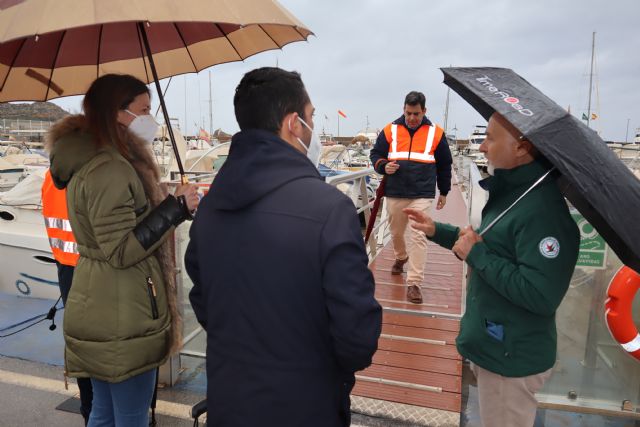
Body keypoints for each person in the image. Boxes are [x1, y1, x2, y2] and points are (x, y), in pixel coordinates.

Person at [185, 67, 382, 427]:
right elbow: (358, 336)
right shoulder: (331, 209)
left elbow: (202, 296)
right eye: (311, 118)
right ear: (294, 124)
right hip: (306, 404)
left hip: (230, 400)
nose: (313, 129)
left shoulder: (211, 205)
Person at [405, 112, 580, 427]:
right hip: (496, 346)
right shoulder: (517, 196)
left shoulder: (543, 213)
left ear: (521, 148)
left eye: (490, 138)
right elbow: (487, 244)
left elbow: (541, 294)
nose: (482, 147)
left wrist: (477, 254)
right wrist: (436, 230)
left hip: (510, 360)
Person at [47, 73, 199, 427]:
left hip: (102, 304)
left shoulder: (97, 161)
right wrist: (174, 210)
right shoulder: (110, 168)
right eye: (143, 109)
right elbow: (120, 250)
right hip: (121, 311)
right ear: (118, 113)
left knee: (104, 411)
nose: (150, 118)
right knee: (130, 417)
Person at [370, 91, 452, 304]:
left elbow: (444, 165)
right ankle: (400, 257)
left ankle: (414, 283)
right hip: (395, 191)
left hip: (422, 193)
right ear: (403, 110)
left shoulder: (436, 133)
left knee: (418, 236)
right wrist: (383, 166)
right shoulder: (390, 130)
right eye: (408, 113)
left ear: (424, 111)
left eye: (416, 113)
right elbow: (375, 154)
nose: (412, 118)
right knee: (396, 232)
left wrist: (444, 191)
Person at [41, 169, 93, 425]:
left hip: (67, 269)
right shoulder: (92, 171)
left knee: (82, 346)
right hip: (95, 270)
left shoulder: (53, 174)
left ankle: (90, 413)